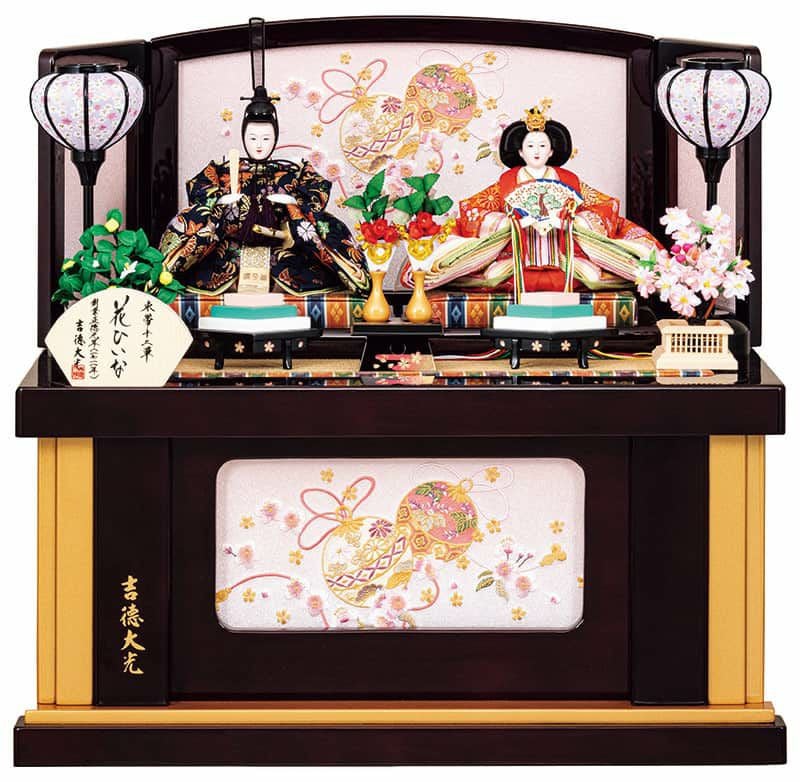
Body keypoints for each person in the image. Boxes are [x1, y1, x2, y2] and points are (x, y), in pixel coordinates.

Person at [406, 101, 660, 293]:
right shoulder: (507, 182)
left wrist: (569, 222)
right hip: (518, 257)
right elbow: (475, 209)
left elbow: (603, 206)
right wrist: (512, 223)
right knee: (492, 275)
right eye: (530, 146)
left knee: (592, 277)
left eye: (542, 146)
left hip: (564, 255)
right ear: (520, 151)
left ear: (551, 151)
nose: (536, 151)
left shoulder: (569, 180)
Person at [159, 86, 369, 297]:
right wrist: (218, 202)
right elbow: (201, 199)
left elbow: (313, 200)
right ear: (243, 137)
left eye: (266, 138)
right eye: (252, 138)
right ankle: (159, 275)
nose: (259, 145)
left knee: (320, 233)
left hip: (284, 253)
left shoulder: (294, 173)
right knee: (197, 226)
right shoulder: (221, 171)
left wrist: (292, 203)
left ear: (275, 138)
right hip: (228, 253)